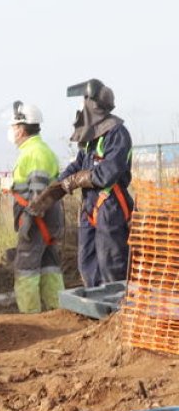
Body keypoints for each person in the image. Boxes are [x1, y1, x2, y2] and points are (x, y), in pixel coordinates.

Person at [30, 79, 133, 287]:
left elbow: (107, 174)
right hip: (90, 207)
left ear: (92, 105)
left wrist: (76, 181)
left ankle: (116, 311)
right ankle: (96, 311)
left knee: (111, 263)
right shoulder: (91, 139)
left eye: (83, 101)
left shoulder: (117, 134)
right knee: (87, 262)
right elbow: (76, 166)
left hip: (110, 206)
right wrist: (51, 193)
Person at [7, 102, 64, 313]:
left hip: (37, 221)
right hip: (46, 221)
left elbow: (38, 194)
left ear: (21, 129)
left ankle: (30, 317)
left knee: (26, 269)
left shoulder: (34, 152)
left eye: (14, 127)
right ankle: (57, 310)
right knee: (49, 266)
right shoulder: (39, 150)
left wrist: (28, 220)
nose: (12, 132)